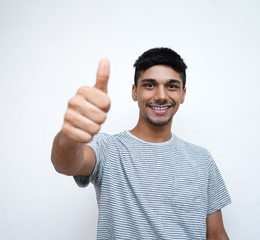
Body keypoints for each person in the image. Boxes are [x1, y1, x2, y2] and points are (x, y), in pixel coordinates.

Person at [51, 47, 231, 239]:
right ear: (134, 91)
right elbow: (66, 163)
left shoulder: (202, 159)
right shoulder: (108, 149)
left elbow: (217, 235)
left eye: (171, 86)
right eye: (149, 85)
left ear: (183, 94)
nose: (161, 95)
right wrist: (69, 137)